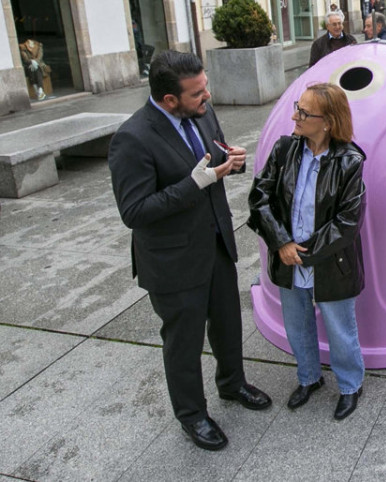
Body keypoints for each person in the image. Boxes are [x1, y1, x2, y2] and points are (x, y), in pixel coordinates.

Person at [108, 50, 272, 451]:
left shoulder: (199, 111)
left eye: (206, 87)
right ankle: (192, 415)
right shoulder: (132, 138)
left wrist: (229, 161)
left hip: (214, 243)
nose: (208, 97)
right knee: (183, 343)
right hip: (172, 261)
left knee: (228, 323)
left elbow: (211, 157)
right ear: (169, 100)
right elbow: (134, 211)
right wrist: (196, 183)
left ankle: (232, 385)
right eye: (198, 93)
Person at [247, 83, 367, 421]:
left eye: (303, 112)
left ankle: (349, 385)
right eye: (297, 108)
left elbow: (348, 220)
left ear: (327, 121)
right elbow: (260, 197)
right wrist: (282, 242)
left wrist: (305, 252)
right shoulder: (285, 149)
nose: (294, 116)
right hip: (288, 256)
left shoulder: (349, 161)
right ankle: (308, 378)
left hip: (330, 261)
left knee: (340, 327)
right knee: (297, 325)